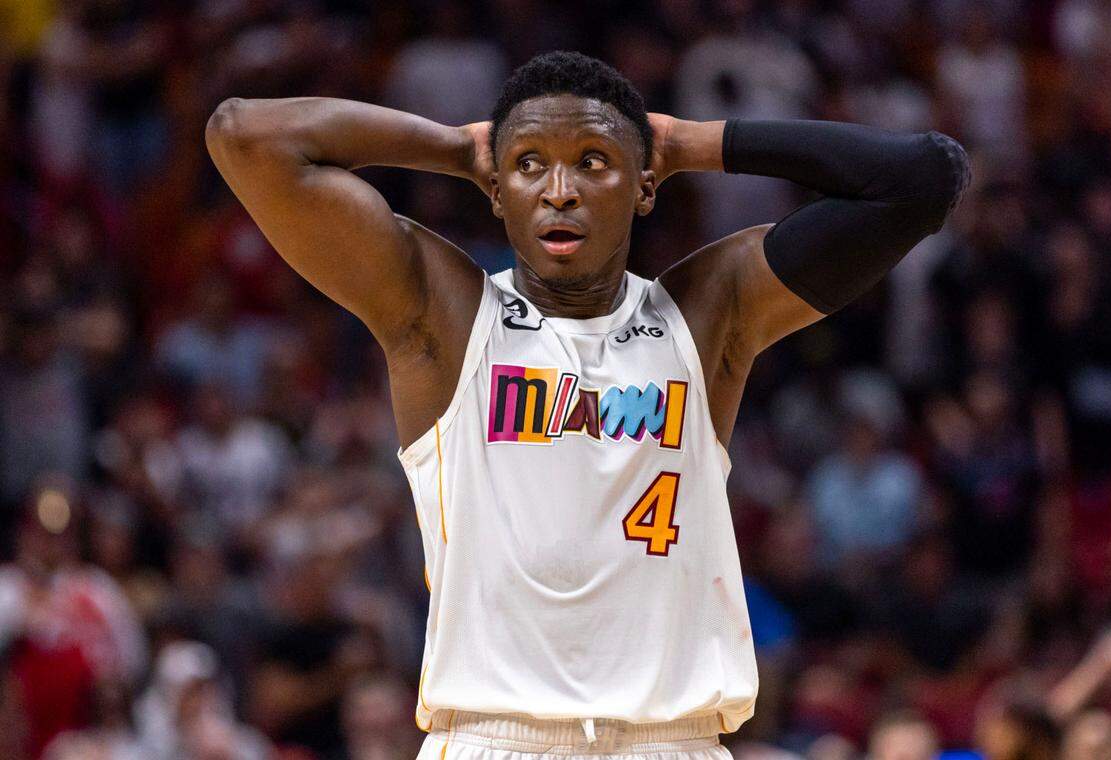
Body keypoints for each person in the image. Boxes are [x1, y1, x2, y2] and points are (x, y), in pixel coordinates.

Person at [205, 50, 968, 759]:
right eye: (530, 165)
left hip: (673, 740)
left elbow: (924, 179)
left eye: (593, 162)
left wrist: (691, 143)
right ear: (499, 190)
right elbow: (243, 134)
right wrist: (456, 148)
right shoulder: (441, 317)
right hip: (495, 737)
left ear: (641, 186)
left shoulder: (707, 314)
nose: (560, 190)